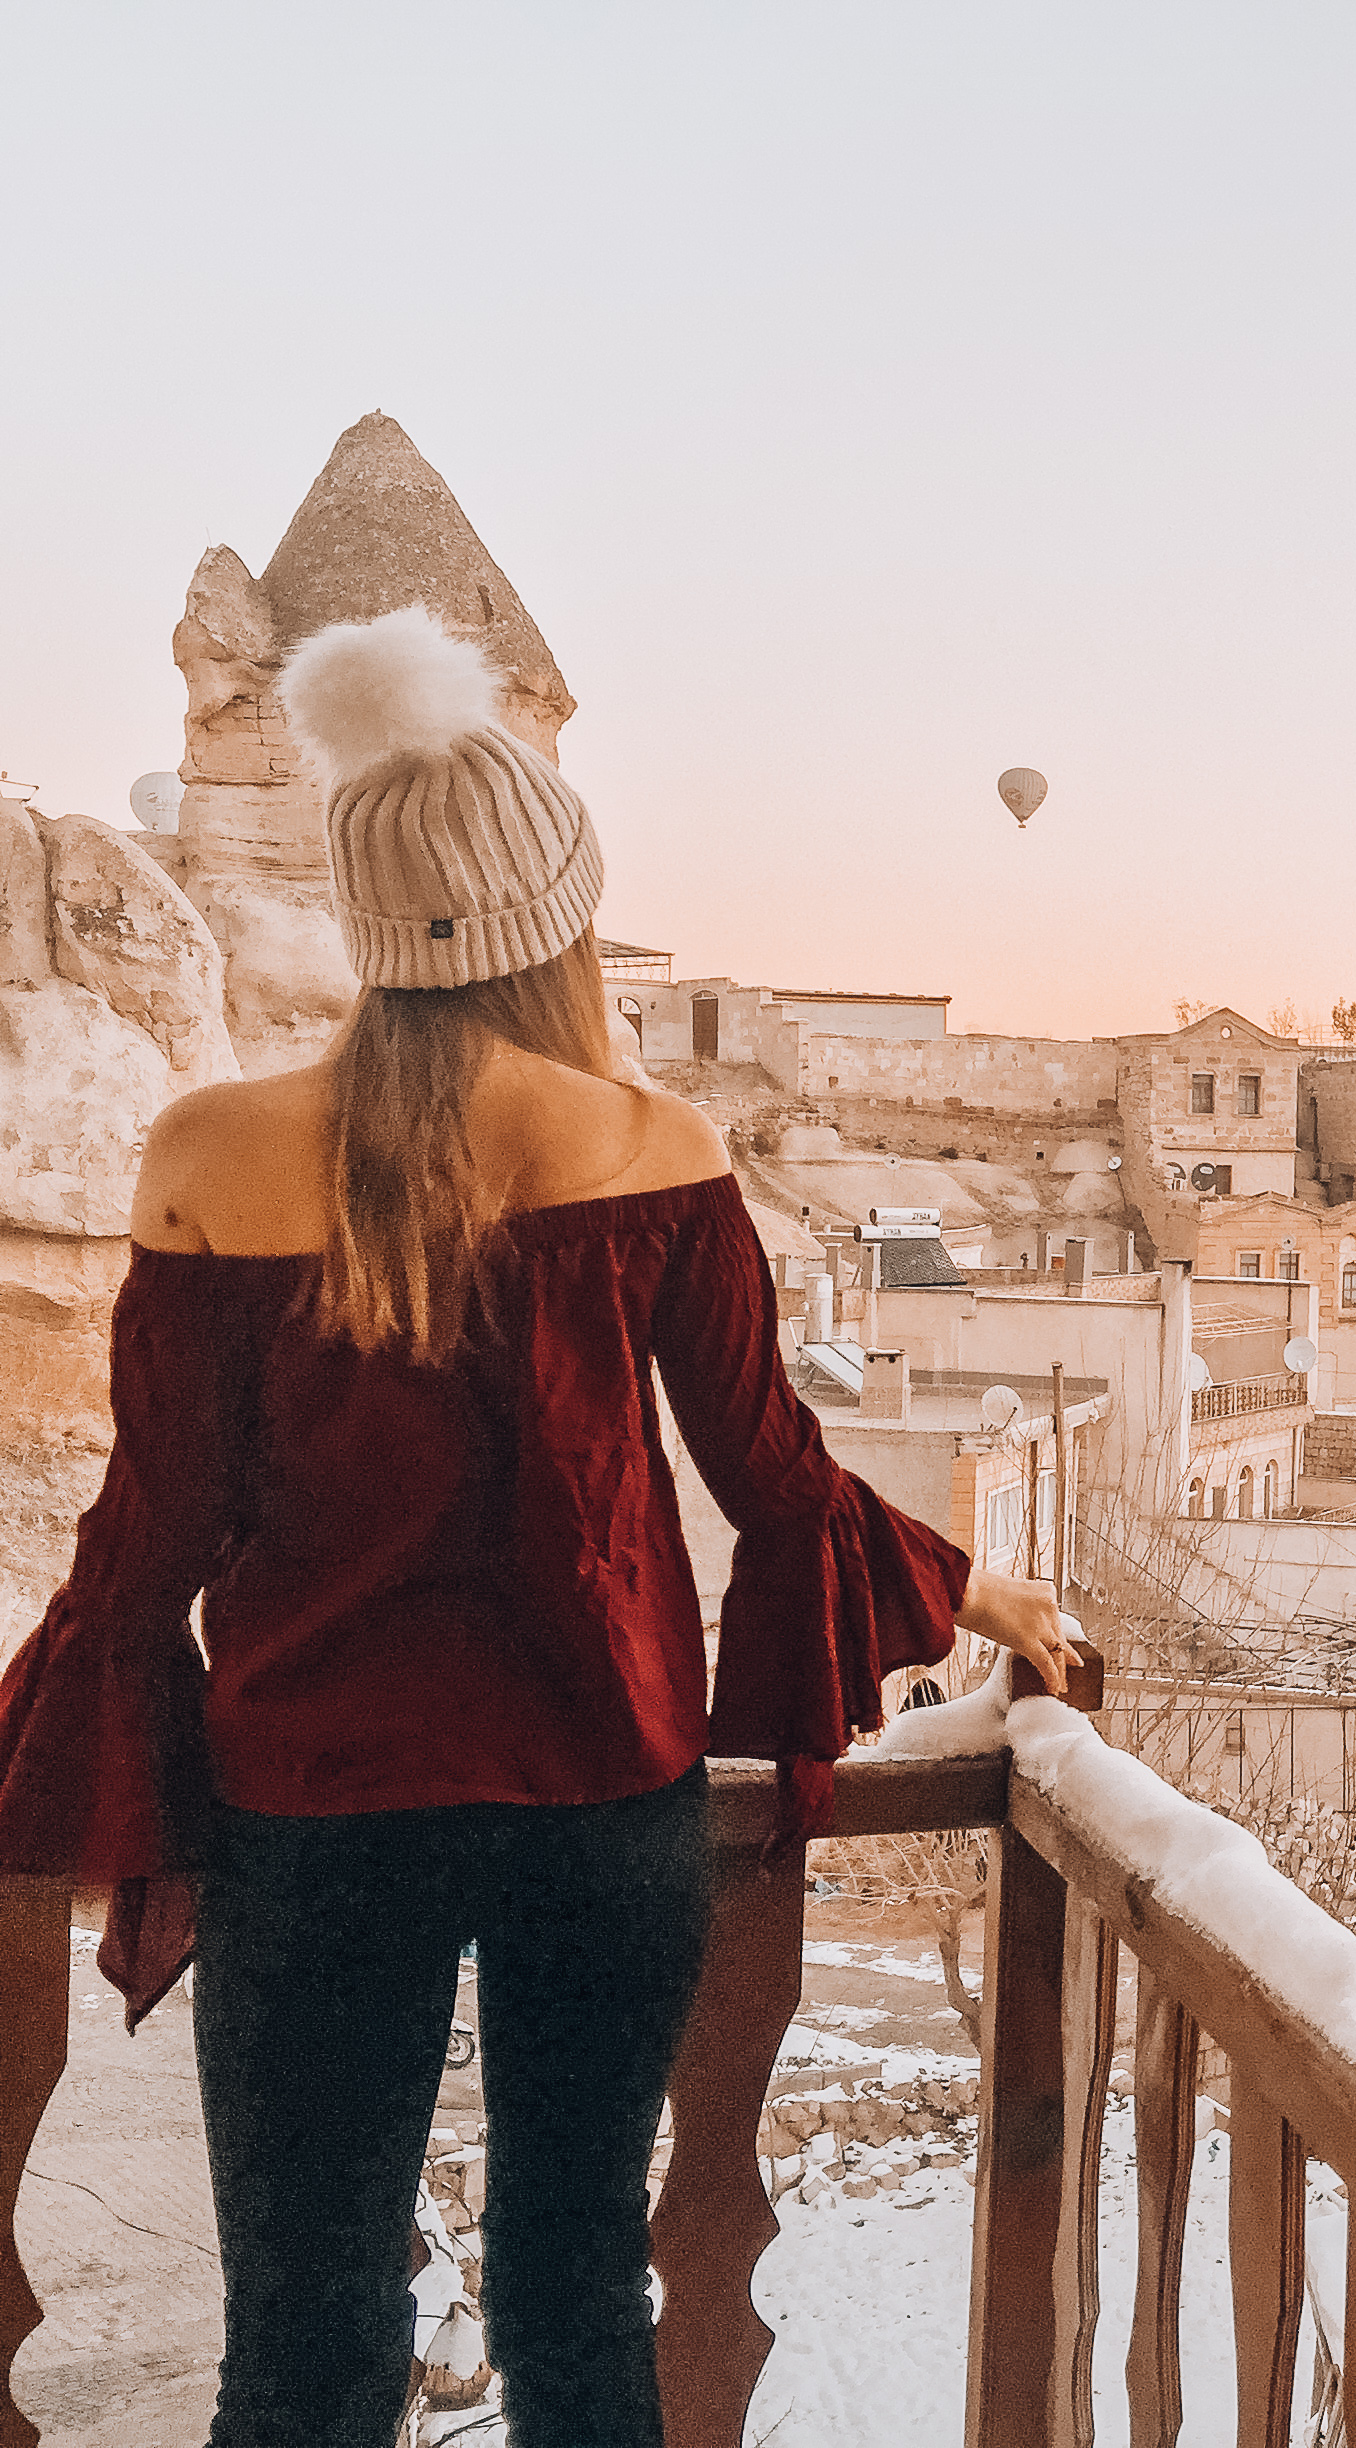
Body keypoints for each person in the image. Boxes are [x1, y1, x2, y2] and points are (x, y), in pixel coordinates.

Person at [0, 606, 1081, 2446]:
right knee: (579, 2303)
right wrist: (977, 1587)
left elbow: (145, 1546)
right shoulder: (650, 1150)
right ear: (556, 917)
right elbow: (775, 1478)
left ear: (366, 917)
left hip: (310, 1811)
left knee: (306, 2333)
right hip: (602, 1803)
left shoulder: (205, 1153)